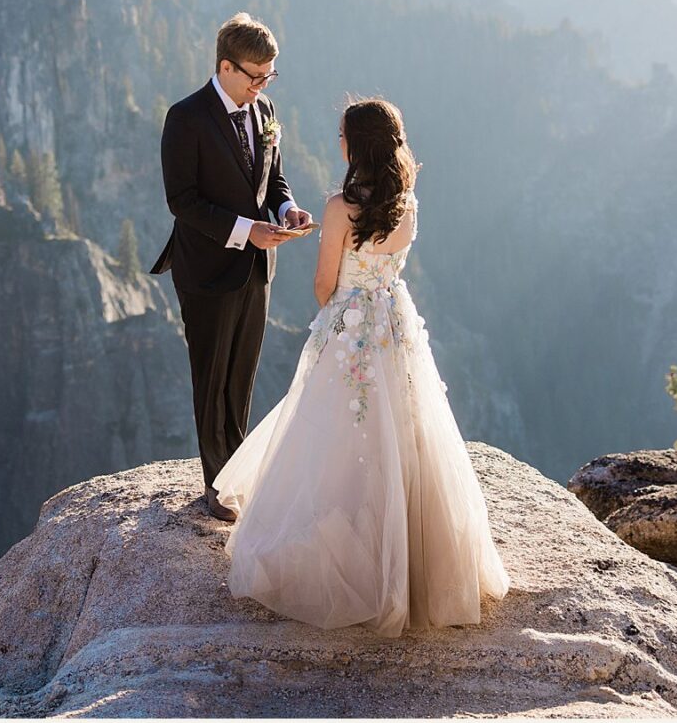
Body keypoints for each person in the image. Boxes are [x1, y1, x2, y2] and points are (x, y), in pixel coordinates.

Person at [212, 98, 510, 637]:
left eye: (342, 135)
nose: (339, 143)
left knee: (332, 433)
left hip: (350, 325)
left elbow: (325, 286)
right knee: (404, 428)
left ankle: (350, 551)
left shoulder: (338, 207)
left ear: (358, 146)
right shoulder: (408, 204)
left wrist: (342, 312)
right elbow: (389, 267)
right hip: (394, 323)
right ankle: (411, 559)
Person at [151, 13, 313, 522]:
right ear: (225, 66)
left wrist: (286, 210)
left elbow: (275, 179)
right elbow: (182, 201)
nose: (263, 85)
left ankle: (238, 474)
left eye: (270, 76)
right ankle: (216, 487)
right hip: (206, 269)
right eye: (256, 75)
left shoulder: (264, 109)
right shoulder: (186, 117)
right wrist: (247, 229)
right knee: (212, 375)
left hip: (257, 267)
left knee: (242, 376)